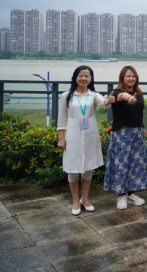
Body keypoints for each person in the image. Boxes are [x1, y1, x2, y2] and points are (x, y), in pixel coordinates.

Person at [57, 66, 112, 215]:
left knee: (88, 168)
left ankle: (85, 199)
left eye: (87, 76)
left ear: (91, 79)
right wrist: (61, 137)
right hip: (73, 135)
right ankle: (75, 200)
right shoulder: (67, 96)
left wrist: (109, 100)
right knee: (72, 168)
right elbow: (61, 118)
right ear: (75, 77)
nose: (83, 78)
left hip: (90, 135)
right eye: (80, 75)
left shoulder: (93, 95)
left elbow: (104, 103)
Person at [104, 66, 147, 210]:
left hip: (137, 132)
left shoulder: (139, 93)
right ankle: (120, 194)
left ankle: (131, 193)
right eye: (128, 76)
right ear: (122, 78)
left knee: (135, 164)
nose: (131, 79)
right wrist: (128, 97)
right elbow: (121, 97)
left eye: (133, 76)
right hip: (121, 133)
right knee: (121, 163)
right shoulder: (116, 92)